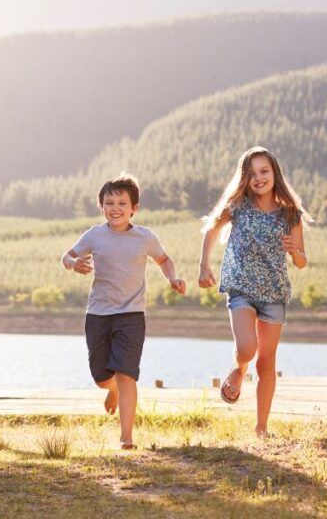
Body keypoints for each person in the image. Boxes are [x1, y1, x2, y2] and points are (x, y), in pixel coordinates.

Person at [61, 173, 185, 450]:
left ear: (134, 208)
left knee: (127, 373)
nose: (115, 208)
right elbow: (66, 256)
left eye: (121, 203)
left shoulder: (144, 237)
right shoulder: (95, 235)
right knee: (101, 377)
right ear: (101, 207)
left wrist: (172, 278)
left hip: (131, 315)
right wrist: (74, 263)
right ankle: (112, 390)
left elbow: (164, 260)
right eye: (109, 202)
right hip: (98, 314)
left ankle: (126, 437)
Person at [198, 146, 309, 438]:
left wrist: (295, 251)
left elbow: (301, 261)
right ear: (244, 179)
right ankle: (239, 368)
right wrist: (204, 266)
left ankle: (261, 427)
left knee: (266, 361)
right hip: (241, 288)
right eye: (252, 173)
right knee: (248, 348)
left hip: (274, 293)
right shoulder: (238, 206)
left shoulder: (290, 213)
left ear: (275, 174)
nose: (259, 178)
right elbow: (211, 230)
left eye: (264, 171)